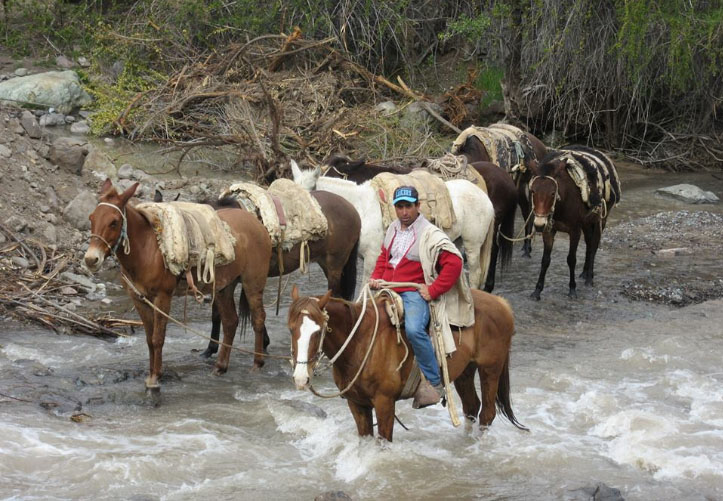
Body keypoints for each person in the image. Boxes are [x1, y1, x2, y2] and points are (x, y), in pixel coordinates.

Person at [369, 185, 464, 408]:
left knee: (413, 329)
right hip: (387, 287)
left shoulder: (430, 234)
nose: (404, 212)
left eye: (408, 206)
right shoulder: (392, 228)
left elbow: (455, 263)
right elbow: (384, 257)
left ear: (417, 206)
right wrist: (375, 277)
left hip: (411, 291)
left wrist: (432, 290)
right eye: (400, 207)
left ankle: (434, 382)